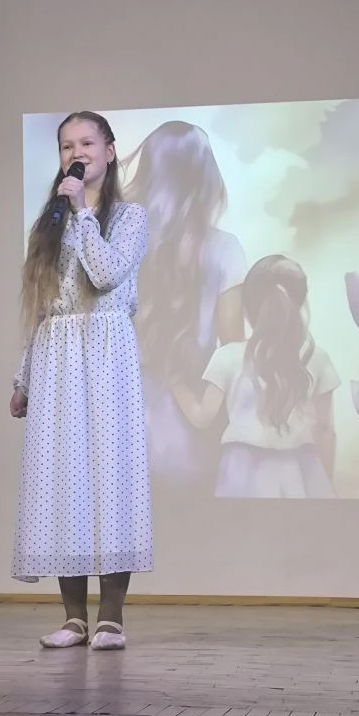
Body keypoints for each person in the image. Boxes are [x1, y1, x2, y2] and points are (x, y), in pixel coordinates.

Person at [10, 111, 151, 650]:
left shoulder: (129, 217)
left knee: (111, 479)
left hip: (107, 352)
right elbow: (42, 305)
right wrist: (24, 377)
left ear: (109, 151)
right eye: (68, 145)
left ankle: (110, 618)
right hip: (57, 356)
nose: (78, 152)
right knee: (60, 481)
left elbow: (107, 273)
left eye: (87, 142)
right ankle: (73, 618)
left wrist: (83, 213)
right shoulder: (50, 223)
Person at [122, 121, 247, 488]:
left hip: (123, 424)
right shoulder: (226, 250)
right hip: (194, 426)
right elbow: (232, 348)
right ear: (206, 178)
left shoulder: (117, 247)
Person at [172, 254, 340, 498]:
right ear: (300, 304)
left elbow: (202, 417)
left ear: (248, 308)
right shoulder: (319, 358)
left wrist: (175, 383)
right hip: (304, 471)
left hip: (241, 472)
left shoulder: (227, 357)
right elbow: (325, 431)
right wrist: (326, 486)